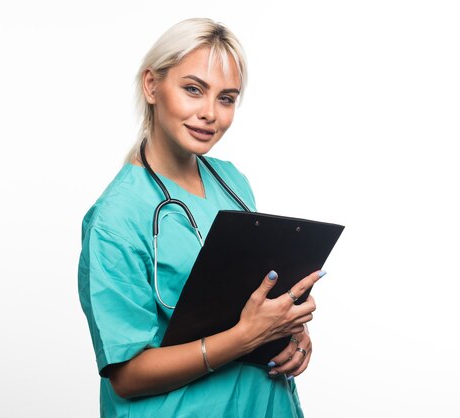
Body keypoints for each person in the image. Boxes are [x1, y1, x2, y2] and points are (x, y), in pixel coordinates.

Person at [78, 17, 325, 417]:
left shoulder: (232, 183)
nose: (209, 113)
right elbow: (126, 374)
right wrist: (245, 337)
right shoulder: (115, 219)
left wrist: (291, 330)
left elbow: (251, 295)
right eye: (193, 90)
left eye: (226, 98)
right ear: (152, 86)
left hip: (263, 404)